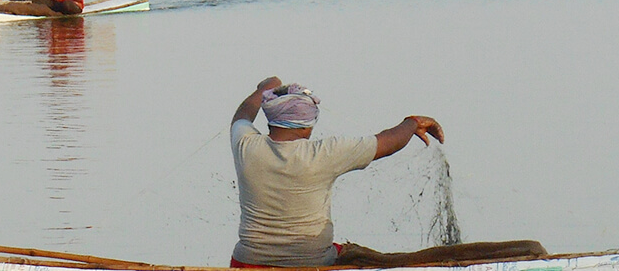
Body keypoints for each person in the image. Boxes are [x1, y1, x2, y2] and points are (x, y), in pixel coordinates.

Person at [228, 76, 547, 268]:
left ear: (271, 120)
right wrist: (413, 123)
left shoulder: (246, 146)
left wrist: (267, 86)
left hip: (247, 263)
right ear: (309, 124)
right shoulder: (324, 153)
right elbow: (388, 142)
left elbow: (243, 113)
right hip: (315, 265)